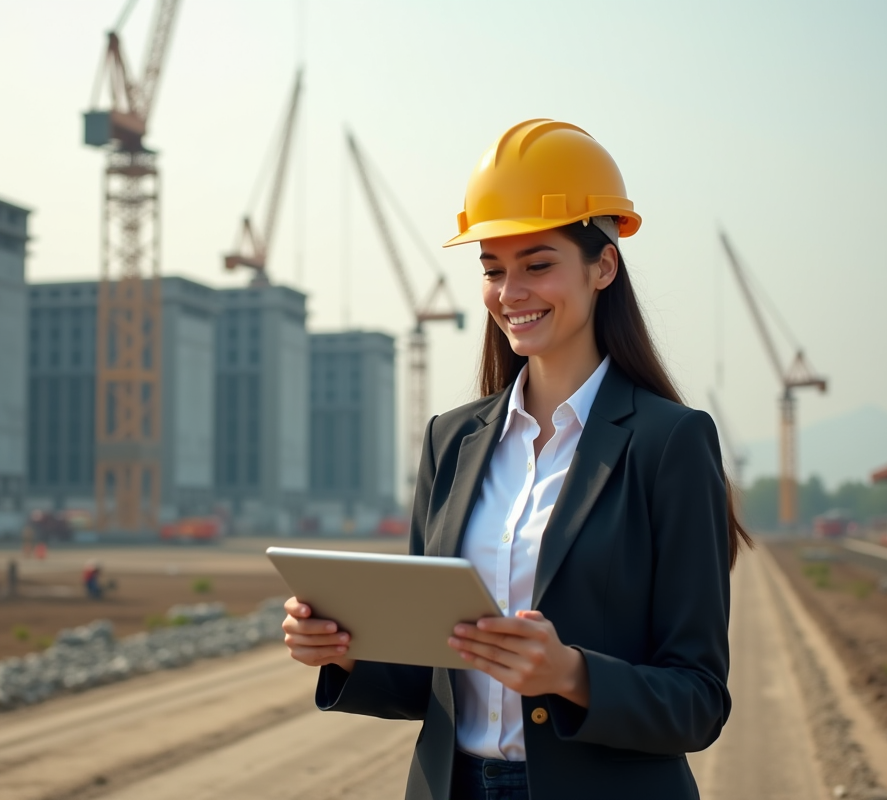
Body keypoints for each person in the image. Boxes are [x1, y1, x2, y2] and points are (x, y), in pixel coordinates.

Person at [282, 119, 751, 800]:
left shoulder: (668, 443)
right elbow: (428, 677)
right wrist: (344, 651)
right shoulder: (452, 441)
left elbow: (700, 699)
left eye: (538, 264)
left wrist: (571, 675)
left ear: (603, 266)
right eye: (493, 270)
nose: (511, 292)